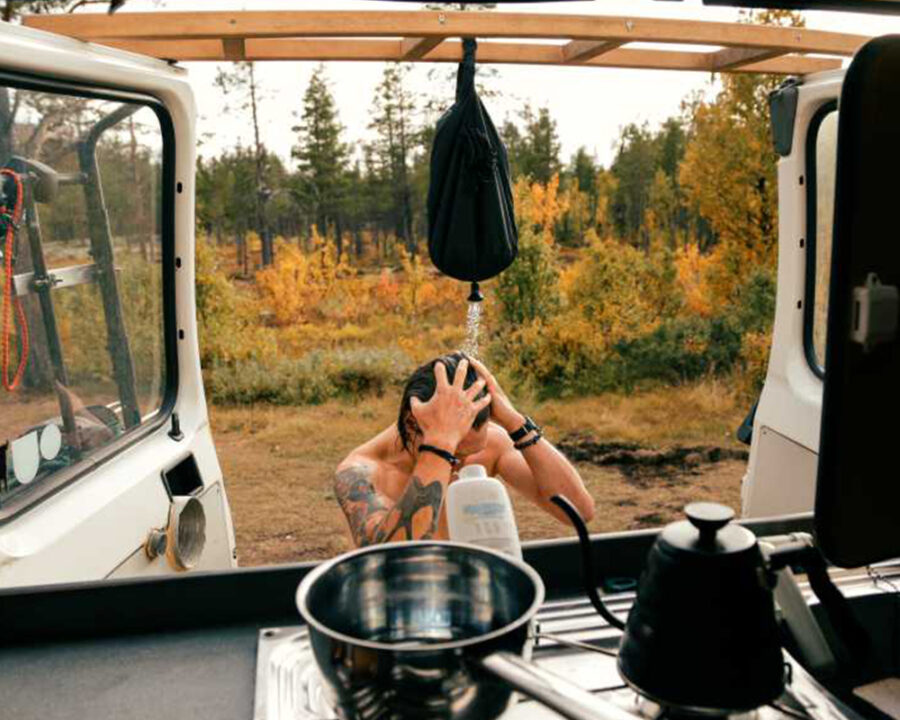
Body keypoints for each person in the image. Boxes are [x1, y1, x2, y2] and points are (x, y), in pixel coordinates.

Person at [334, 352, 595, 547]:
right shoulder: (359, 473)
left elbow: (578, 513)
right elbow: (392, 557)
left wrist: (516, 423)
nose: (460, 465)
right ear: (414, 422)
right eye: (455, 454)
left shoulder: (490, 444)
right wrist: (440, 447)